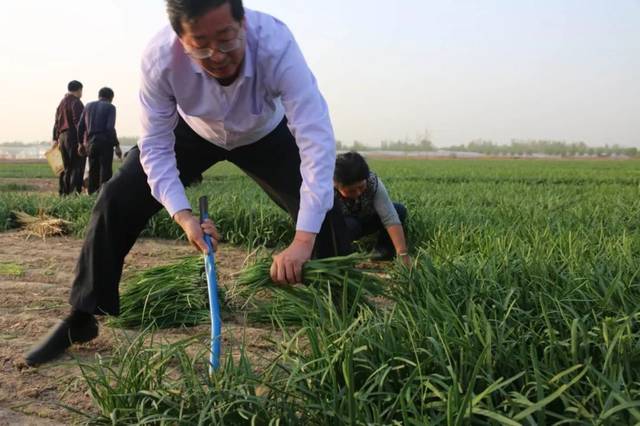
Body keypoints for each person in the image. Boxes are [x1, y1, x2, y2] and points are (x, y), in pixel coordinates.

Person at [25, 0, 351, 366]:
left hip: (264, 131)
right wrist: (183, 216)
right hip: (193, 131)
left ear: (243, 23)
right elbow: (156, 146)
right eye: (201, 45)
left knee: (326, 215)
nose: (218, 55)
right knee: (115, 198)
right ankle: (82, 316)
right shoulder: (158, 58)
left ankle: (344, 319)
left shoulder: (275, 43)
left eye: (227, 39)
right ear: (181, 40)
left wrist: (303, 240)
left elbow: (315, 140)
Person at [334, 152, 410, 264]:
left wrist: (403, 254)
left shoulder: (372, 182)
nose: (358, 193)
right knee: (351, 225)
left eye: (361, 187)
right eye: (351, 191)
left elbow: (390, 217)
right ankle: (344, 255)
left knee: (399, 210)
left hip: (366, 219)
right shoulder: (327, 190)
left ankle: (382, 251)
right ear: (336, 185)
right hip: (345, 226)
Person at [78, 87, 123, 194]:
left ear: (99, 96)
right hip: (105, 143)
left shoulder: (88, 106)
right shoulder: (110, 107)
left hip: (90, 143)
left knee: (93, 171)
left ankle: (92, 195)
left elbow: (80, 126)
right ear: (111, 98)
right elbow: (110, 128)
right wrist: (116, 145)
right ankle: (103, 197)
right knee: (105, 171)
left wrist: (80, 144)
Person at [52, 80, 85, 195]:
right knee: (77, 166)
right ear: (79, 90)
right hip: (73, 136)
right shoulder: (76, 102)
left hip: (61, 137)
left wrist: (55, 139)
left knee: (65, 168)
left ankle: (63, 193)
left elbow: (56, 122)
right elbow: (78, 123)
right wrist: (82, 140)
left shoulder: (62, 103)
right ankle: (74, 193)